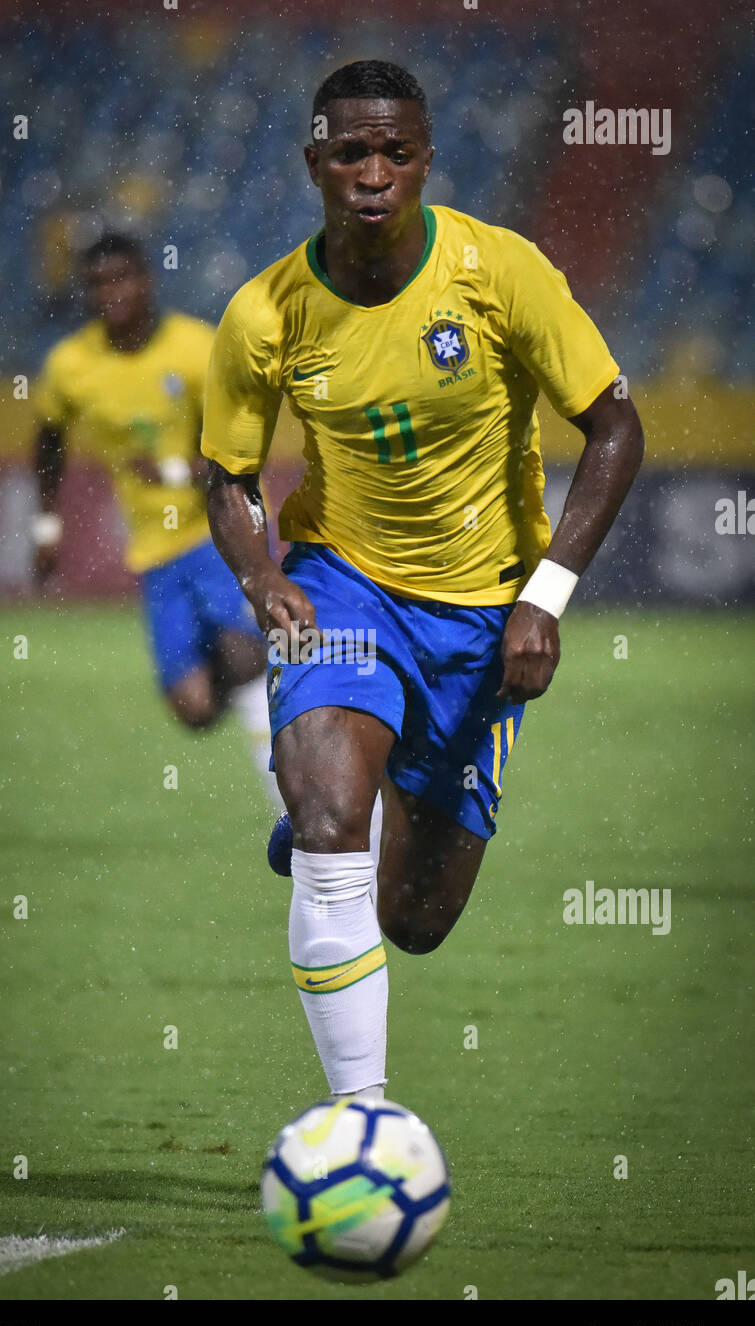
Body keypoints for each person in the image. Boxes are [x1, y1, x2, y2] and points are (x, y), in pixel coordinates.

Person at [201, 61, 644, 1104]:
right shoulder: (265, 314)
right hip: (340, 584)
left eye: (395, 152)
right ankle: (362, 1120)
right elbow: (226, 478)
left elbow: (616, 427)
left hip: (484, 615)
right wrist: (262, 573)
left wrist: (547, 595)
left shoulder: (501, 271)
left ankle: (346, 799)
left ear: (426, 162)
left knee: (417, 918)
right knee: (328, 834)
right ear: (316, 163)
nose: (373, 172)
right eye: (351, 151)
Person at [30, 232, 276, 801]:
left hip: (219, 529)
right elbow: (48, 442)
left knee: (244, 657)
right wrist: (46, 527)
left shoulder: (195, 350)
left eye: (121, 279)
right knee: (192, 707)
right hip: (154, 552)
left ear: (147, 281)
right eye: (97, 283)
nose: (110, 293)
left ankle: (294, 809)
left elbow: (235, 451)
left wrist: (168, 474)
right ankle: (277, 676)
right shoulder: (72, 366)